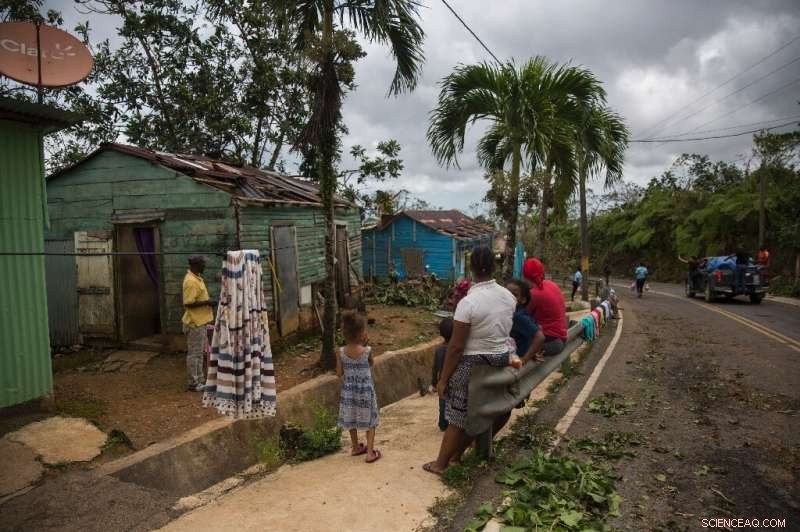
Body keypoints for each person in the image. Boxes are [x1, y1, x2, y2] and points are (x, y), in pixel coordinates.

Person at [423, 246, 516, 476]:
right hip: (500, 359)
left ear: (471, 268)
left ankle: (441, 464)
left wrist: (443, 379)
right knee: (495, 408)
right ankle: (458, 454)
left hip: (472, 365)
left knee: (458, 415)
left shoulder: (468, 303)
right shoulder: (509, 297)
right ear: (494, 267)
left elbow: (455, 347)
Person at [336, 311, 381, 463]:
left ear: (344, 333)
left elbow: (338, 373)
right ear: (362, 333)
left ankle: (355, 447)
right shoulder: (367, 351)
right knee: (371, 420)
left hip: (349, 392)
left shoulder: (341, 352)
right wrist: (365, 345)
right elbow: (371, 364)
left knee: (351, 417)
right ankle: (369, 452)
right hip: (365, 392)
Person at [182, 255, 216, 392]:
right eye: (203, 264)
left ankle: (200, 380)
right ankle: (193, 383)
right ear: (196, 265)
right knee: (194, 354)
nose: (205, 266)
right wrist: (207, 302)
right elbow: (188, 303)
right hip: (194, 323)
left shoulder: (197, 278)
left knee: (199, 353)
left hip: (200, 321)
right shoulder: (190, 281)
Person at [523, 258, 568, 356]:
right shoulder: (552, 284)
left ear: (525, 276)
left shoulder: (533, 294)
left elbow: (522, 317)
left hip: (550, 343)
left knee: (516, 345)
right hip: (562, 338)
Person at [505, 279, 545, 363]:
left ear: (523, 300)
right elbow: (539, 327)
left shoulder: (517, 316)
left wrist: (524, 360)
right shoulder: (517, 311)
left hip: (516, 355)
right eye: (506, 293)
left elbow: (540, 337)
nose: (509, 297)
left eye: (514, 295)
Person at [432, 317, 453, 432]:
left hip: (442, 381)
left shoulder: (439, 350)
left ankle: (443, 423)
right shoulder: (456, 349)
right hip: (454, 380)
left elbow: (435, 368)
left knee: (443, 403)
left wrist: (434, 382)